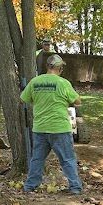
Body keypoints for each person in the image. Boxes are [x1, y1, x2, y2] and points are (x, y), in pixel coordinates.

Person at [21, 53, 83, 195]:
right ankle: (75, 187)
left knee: (37, 159)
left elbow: (23, 99)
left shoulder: (35, 82)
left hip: (40, 128)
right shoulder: (63, 83)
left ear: (47, 66)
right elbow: (78, 102)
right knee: (67, 159)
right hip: (59, 128)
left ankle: (30, 186)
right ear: (59, 68)